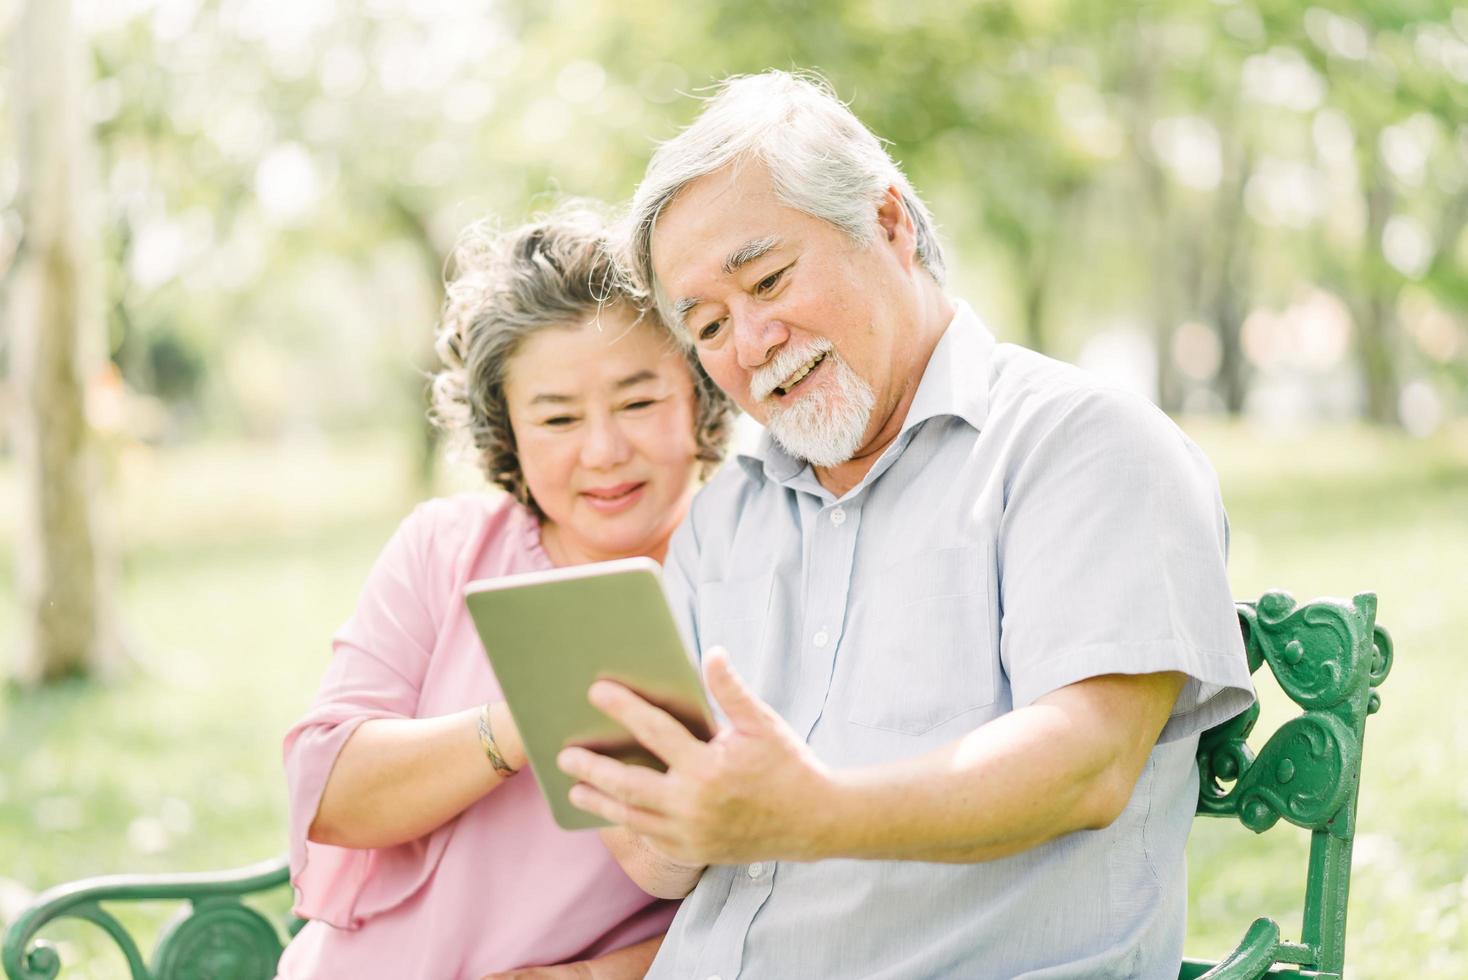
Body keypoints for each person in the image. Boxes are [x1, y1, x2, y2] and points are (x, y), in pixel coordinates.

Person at [556, 72, 1257, 978]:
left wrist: (814, 813)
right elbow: (663, 856)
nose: (751, 342)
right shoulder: (726, 516)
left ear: (887, 223)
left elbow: (1089, 763)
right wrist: (643, 800)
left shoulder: (1082, 445)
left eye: (768, 279)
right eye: (707, 327)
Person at [277, 207, 731, 980]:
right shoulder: (446, 547)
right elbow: (332, 794)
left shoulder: (757, 567)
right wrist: (529, 717)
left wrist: (595, 977)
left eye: (638, 402)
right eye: (556, 417)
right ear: (506, 430)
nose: (604, 451)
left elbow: (788, 888)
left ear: (699, 392)